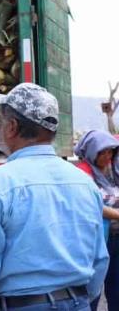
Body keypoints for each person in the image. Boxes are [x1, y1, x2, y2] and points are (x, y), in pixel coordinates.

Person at [0, 83, 109, 311]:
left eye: (0, 122)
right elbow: (99, 260)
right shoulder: (84, 183)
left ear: (12, 127)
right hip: (77, 302)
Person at [74, 130, 119, 311]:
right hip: (96, 240)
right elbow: (93, 206)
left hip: (115, 237)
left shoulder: (113, 169)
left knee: (116, 286)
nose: (107, 156)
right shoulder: (82, 173)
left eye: (110, 151)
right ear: (92, 151)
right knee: (92, 287)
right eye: (103, 152)